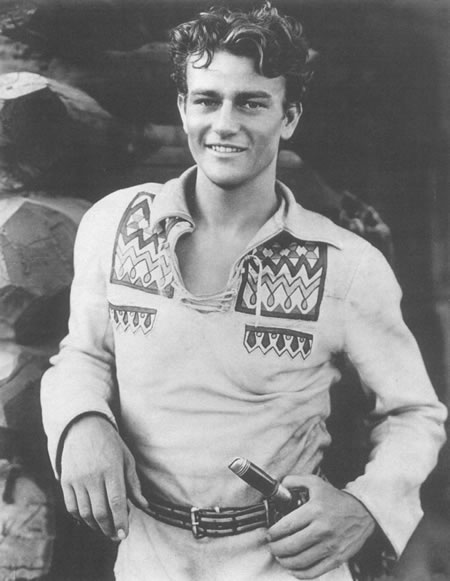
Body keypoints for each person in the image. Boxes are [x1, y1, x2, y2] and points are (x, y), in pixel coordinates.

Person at [40, 3, 447, 580]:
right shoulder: (113, 225)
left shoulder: (348, 265)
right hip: (149, 557)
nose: (225, 123)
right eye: (207, 100)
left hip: (284, 563)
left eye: (252, 102)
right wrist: (81, 422)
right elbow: (83, 354)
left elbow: (414, 413)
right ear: (182, 107)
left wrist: (365, 506)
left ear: (290, 116)